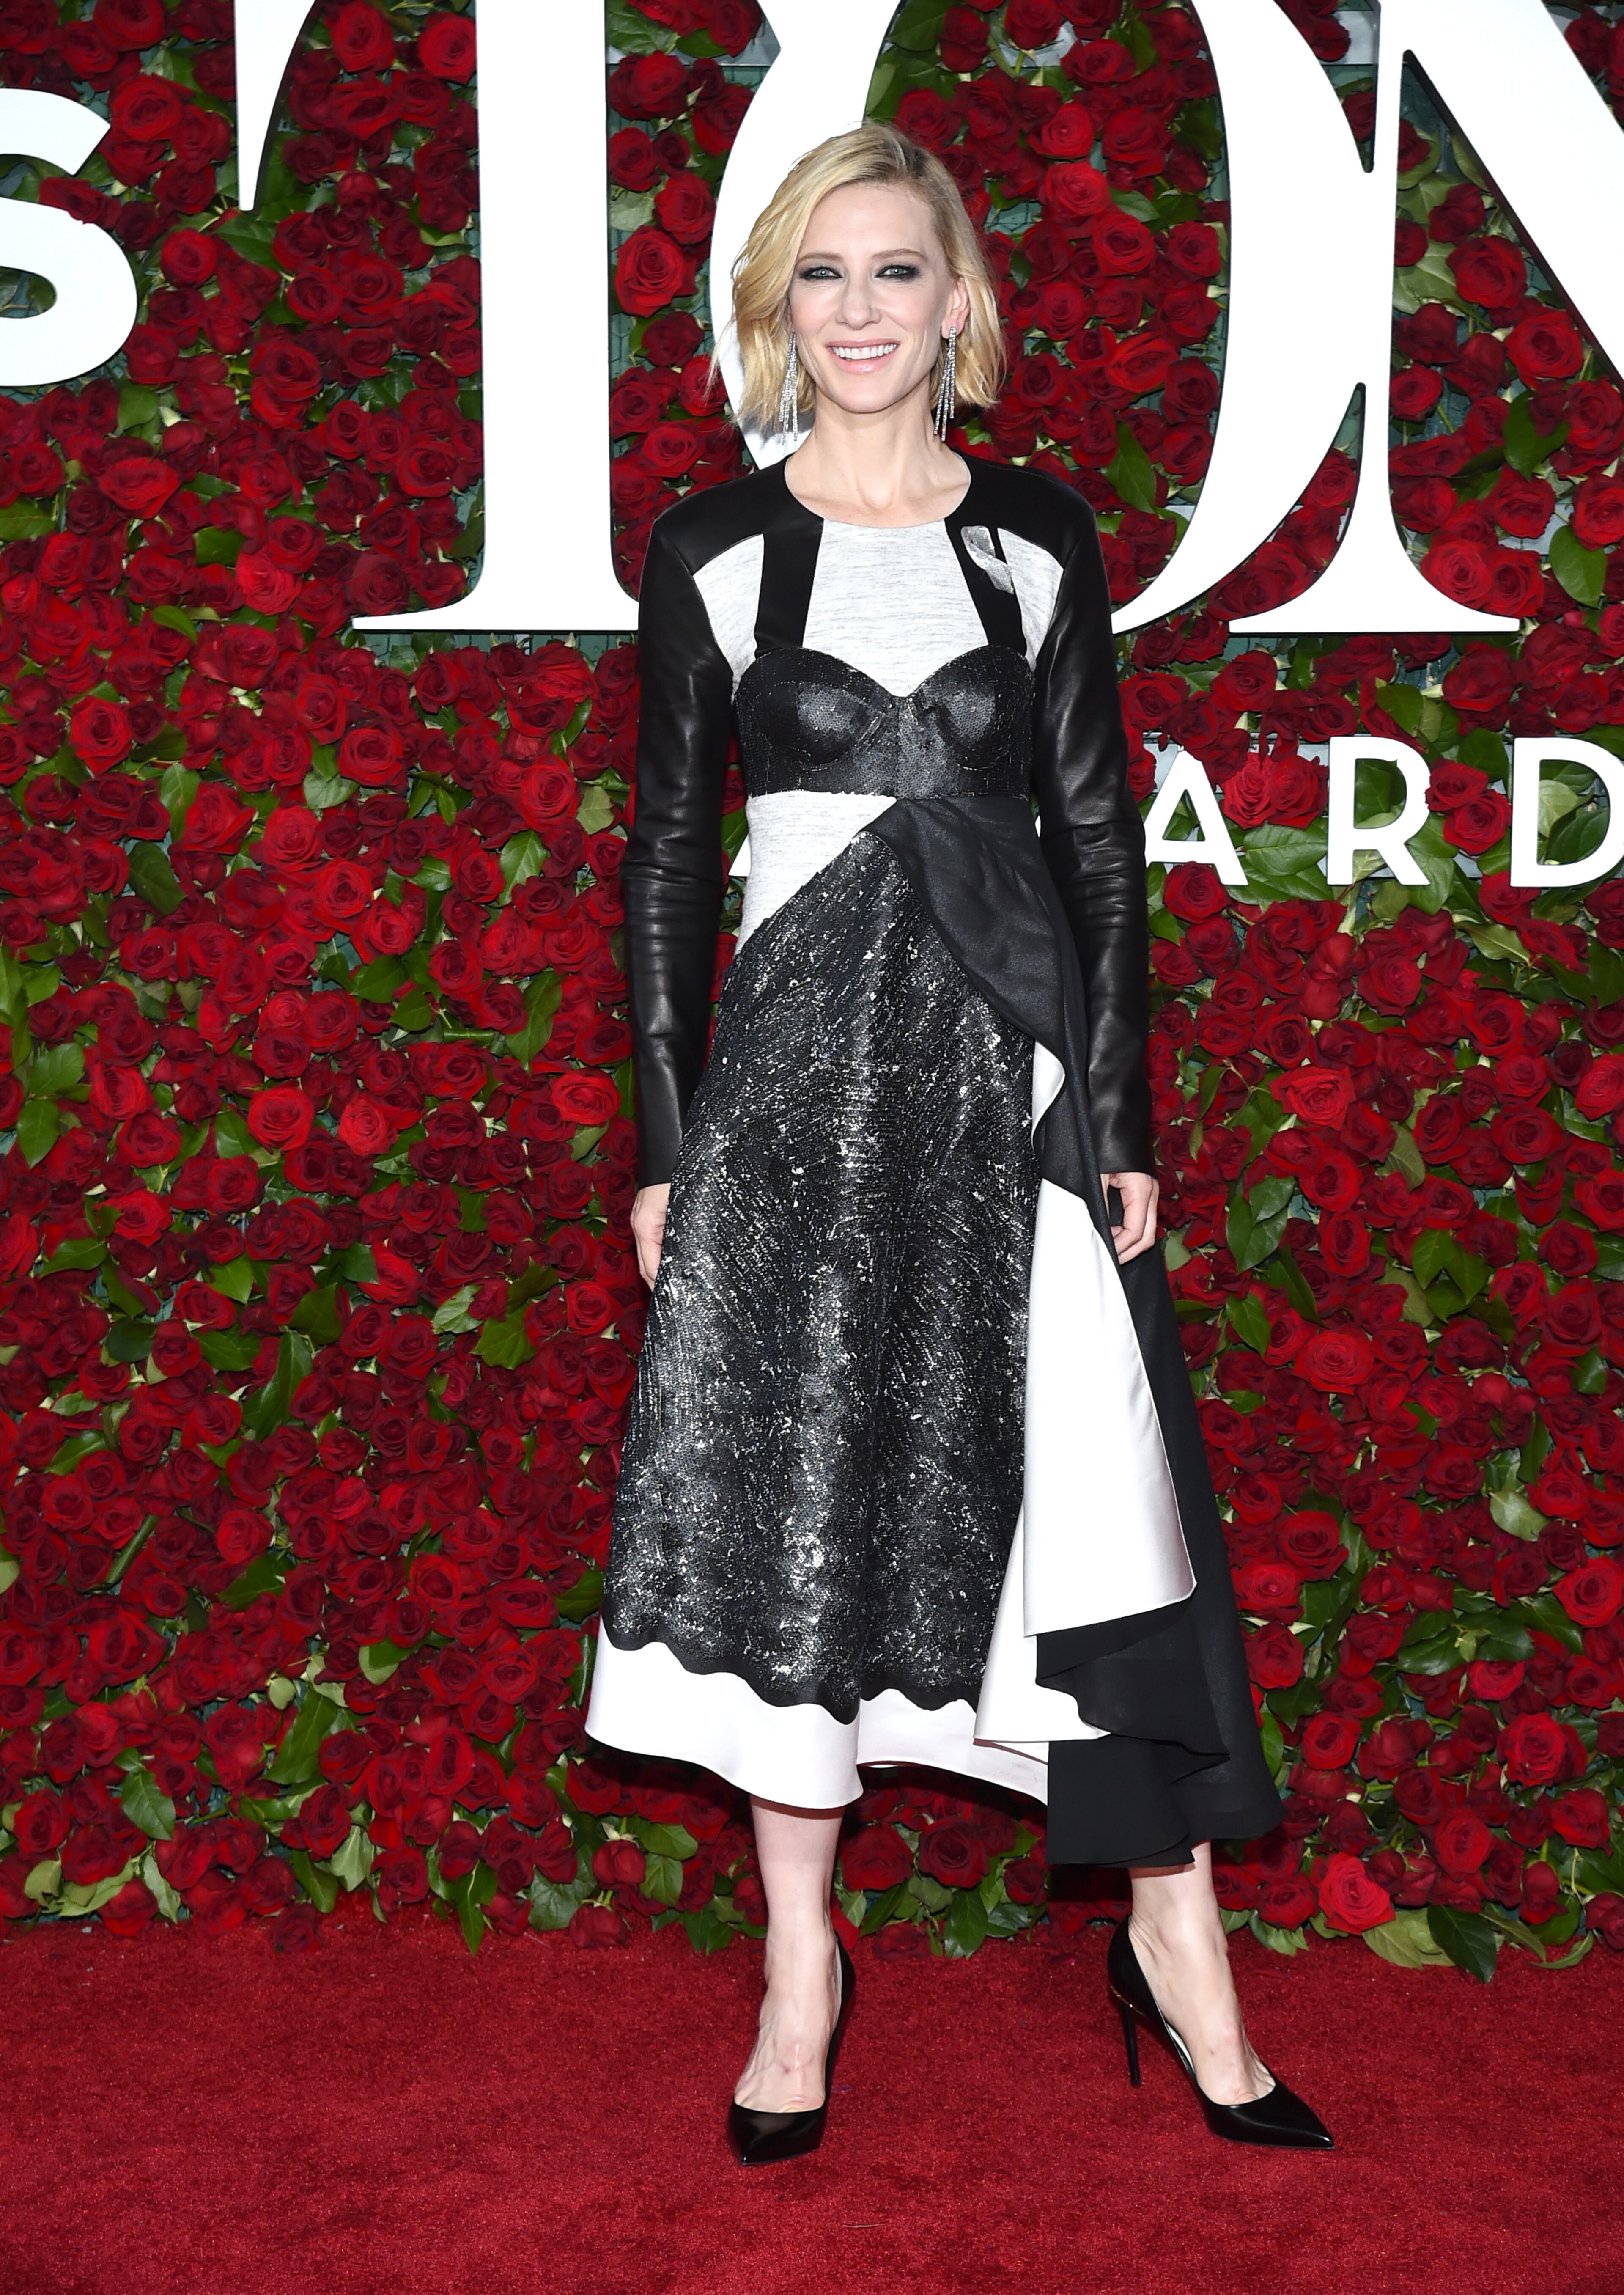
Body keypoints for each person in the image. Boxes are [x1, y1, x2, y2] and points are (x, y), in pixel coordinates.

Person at [585, 122, 1332, 2163]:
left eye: (894, 272)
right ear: (774, 308)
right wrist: (666, 1138)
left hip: (1009, 1079)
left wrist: (1120, 1110)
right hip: (797, 1110)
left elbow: (1096, 840)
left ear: (957, 302)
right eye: (819, 276)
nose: (857, 313)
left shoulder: (1037, 538)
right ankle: (802, 1965)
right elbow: (667, 851)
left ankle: (1175, 1940)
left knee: (1100, 1503)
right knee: (796, 1497)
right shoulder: (714, 550)